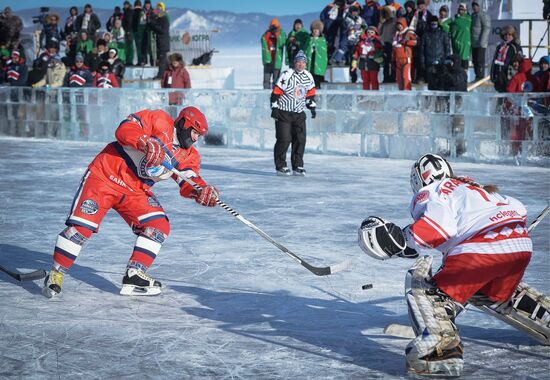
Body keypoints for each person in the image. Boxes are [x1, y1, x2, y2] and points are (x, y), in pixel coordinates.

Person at [358, 153, 550, 377]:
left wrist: (402, 238)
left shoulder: (434, 191)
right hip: (519, 246)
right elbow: (518, 208)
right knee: (488, 290)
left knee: (425, 288)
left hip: (481, 249)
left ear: (420, 179)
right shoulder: (472, 187)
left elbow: (439, 229)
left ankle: (439, 351)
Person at [43, 107, 218, 298]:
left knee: (158, 226)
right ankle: (56, 273)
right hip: (105, 177)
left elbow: (188, 179)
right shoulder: (159, 120)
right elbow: (125, 128)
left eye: (199, 136)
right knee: (81, 231)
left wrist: (201, 190)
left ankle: (134, 275)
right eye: (194, 133)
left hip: (136, 190)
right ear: (184, 124)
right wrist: (144, 141)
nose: (195, 139)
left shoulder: (190, 156)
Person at [270, 51, 316, 176]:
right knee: (284, 139)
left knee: (300, 140)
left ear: (306, 64)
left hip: (299, 114)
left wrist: (312, 106)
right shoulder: (287, 74)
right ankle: (280, 166)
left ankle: (298, 165)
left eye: (303, 62)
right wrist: (274, 108)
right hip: (284, 112)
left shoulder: (308, 76)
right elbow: (276, 92)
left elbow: (310, 94)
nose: (301, 64)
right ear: (294, 63)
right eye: (298, 62)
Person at [419, 15, 450, 91]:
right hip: (429, 62)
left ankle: (439, 101)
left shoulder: (443, 33)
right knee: (431, 82)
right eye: (432, 24)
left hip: (440, 61)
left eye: (435, 24)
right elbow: (422, 49)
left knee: (440, 82)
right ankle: (430, 101)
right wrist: (422, 61)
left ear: (438, 24)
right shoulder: (426, 34)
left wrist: (446, 60)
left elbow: (447, 47)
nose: (433, 25)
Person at [490, 25, 523, 92]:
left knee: (510, 95)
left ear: (513, 35)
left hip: (510, 74)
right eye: (505, 34)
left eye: (509, 34)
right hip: (499, 74)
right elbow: (494, 61)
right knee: (500, 95)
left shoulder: (515, 46)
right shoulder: (500, 46)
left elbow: (519, 59)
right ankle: (500, 102)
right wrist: (492, 75)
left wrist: (516, 58)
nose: (507, 36)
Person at [261, 18, 286, 89]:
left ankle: (275, 96)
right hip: (267, 61)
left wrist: (276, 34)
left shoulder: (281, 34)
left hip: (277, 61)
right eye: (272, 26)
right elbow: (263, 40)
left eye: (275, 26)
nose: (273, 28)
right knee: (266, 80)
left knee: (276, 80)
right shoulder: (267, 34)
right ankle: (266, 96)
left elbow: (282, 42)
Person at [392, 17, 417, 90]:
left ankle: (407, 92)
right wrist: (393, 59)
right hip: (398, 59)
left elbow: (416, 42)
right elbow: (394, 48)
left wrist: (406, 42)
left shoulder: (408, 33)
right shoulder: (396, 35)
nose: (399, 26)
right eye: (398, 25)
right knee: (399, 78)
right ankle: (400, 93)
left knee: (406, 77)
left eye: (400, 24)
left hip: (406, 58)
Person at [470, 1, 491, 81]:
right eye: (473, 6)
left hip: (481, 43)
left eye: (476, 5)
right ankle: (477, 76)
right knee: (474, 60)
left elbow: (486, 28)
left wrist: (482, 41)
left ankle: (481, 77)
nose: (474, 7)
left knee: (479, 60)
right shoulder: (473, 15)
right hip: (474, 43)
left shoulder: (484, 15)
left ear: (480, 6)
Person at [149, 2, 170, 79]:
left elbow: (162, 30)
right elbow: (155, 28)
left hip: (163, 42)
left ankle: (160, 76)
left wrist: (153, 26)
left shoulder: (164, 18)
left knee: (162, 60)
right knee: (164, 60)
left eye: (160, 8)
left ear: (163, 9)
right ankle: (169, 74)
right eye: (157, 8)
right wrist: (152, 21)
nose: (158, 10)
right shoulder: (159, 18)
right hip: (160, 42)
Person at [305, 20, 328, 89]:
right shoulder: (309, 39)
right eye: (314, 30)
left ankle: (318, 87)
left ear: (319, 31)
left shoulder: (322, 40)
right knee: (311, 74)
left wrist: (317, 48)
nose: (315, 31)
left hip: (318, 60)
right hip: (311, 59)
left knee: (317, 74)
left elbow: (323, 51)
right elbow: (306, 48)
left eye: (317, 30)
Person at [449, 3, 472, 71]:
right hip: (456, 44)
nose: (460, 11)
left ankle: (464, 78)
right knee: (457, 63)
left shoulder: (469, 19)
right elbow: (446, 25)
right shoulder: (455, 19)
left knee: (464, 62)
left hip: (465, 44)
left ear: (465, 10)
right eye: (459, 9)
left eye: (462, 9)